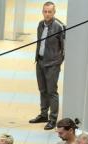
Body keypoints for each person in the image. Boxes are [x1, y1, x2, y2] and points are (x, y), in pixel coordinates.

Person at [29, 1, 65, 130]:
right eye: (45, 11)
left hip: (52, 64)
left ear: (54, 12)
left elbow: (64, 47)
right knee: (42, 90)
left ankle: (53, 119)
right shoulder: (40, 24)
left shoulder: (59, 27)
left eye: (50, 12)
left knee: (52, 92)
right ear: (42, 12)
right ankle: (43, 114)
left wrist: (58, 62)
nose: (47, 14)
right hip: (40, 62)